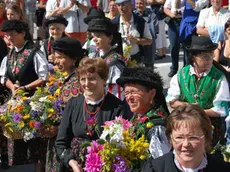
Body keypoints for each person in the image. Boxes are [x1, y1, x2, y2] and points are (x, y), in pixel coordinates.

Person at [55, 57, 131, 172]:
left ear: (104, 79)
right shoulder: (73, 104)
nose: (86, 84)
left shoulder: (117, 108)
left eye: (92, 79)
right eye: (83, 79)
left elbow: (121, 147)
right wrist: (72, 162)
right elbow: (61, 142)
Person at [0, 20, 49, 171]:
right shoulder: (9, 54)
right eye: (7, 36)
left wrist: (26, 87)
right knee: (13, 135)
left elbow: (44, 76)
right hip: (15, 101)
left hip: (33, 102)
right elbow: (3, 77)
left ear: (22, 34)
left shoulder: (34, 52)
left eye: (13, 35)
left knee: (33, 140)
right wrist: (12, 87)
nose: (9, 38)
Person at [167, 35, 230, 146]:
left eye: (211, 55)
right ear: (193, 58)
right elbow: (172, 102)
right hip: (185, 126)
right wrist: (191, 107)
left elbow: (221, 110)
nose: (209, 60)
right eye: (205, 57)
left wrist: (197, 110)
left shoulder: (219, 77)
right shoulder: (181, 75)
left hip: (210, 127)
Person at [142, 104, 230, 172]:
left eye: (193, 138)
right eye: (179, 137)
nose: (186, 144)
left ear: (206, 138)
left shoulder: (223, 169)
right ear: (170, 138)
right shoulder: (156, 169)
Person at [45, 37, 84, 172]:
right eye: (55, 57)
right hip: (56, 138)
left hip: (67, 140)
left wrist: (56, 128)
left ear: (73, 59)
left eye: (61, 57)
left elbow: (75, 115)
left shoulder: (77, 83)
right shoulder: (61, 77)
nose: (56, 61)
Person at [116, 67, 171, 159]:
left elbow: (162, 164)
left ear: (152, 93)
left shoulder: (157, 127)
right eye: (126, 93)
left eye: (133, 92)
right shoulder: (138, 115)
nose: (129, 98)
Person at [87, 18, 126, 99]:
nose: (94, 39)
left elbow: (117, 93)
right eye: (93, 36)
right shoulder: (96, 55)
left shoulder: (115, 62)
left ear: (110, 38)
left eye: (98, 36)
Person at [113, 0, 152, 65]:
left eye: (123, 5)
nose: (121, 8)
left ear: (131, 6)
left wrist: (137, 40)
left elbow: (149, 41)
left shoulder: (140, 22)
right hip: (119, 59)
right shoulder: (114, 23)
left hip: (136, 59)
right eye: (118, 5)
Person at [134, 0, 158, 69]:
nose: (139, 5)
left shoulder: (152, 15)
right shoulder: (133, 14)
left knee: (149, 68)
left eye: (141, 3)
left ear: (145, 4)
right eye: (137, 3)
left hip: (149, 45)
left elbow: (155, 31)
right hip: (136, 44)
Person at [164, 0, 185, 77]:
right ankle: (174, 68)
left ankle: (185, 69)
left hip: (184, 21)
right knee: (173, 47)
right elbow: (166, 8)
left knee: (186, 47)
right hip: (173, 22)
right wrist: (172, 15)